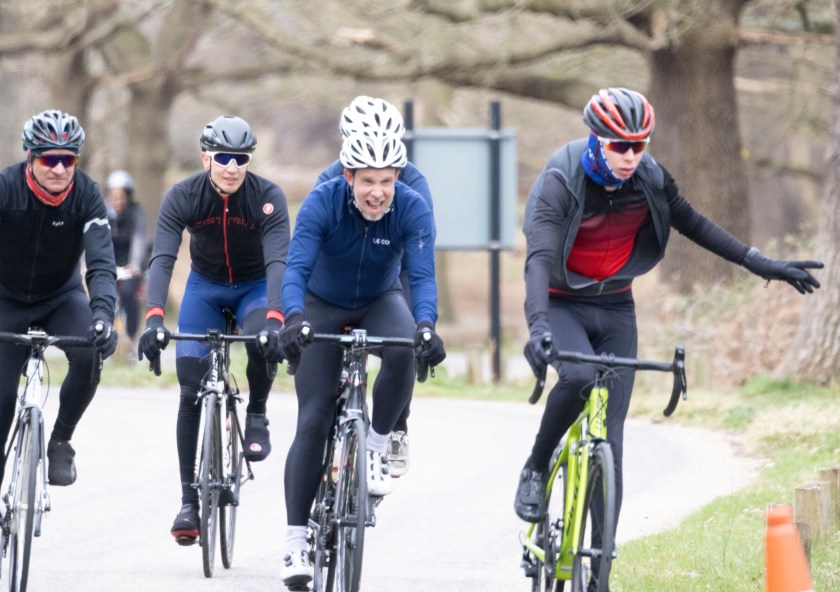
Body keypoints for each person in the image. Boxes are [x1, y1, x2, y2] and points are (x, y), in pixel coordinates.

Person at [514, 87, 822, 566]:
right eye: (620, 146)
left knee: (610, 437)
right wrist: (538, 328)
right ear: (596, 139)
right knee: (575, 380)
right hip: (561, 302)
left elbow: (694, 223)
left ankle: (602, 559)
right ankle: (536, 466)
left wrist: (761, 263)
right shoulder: (562, 178)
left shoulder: (650, 179)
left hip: (616, 306)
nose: (631, 156)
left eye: (640, 145)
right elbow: (537, 260)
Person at [277, 129, 447, 588]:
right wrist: (293, 318)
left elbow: (423, 277)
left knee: (404, 348)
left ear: (398, 178)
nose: (377, 192)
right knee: (312, 419)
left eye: (386, 181)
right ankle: (295, 541)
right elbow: (295, 268)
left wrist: (427, 325)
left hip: (379, 299)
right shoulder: (323, 201)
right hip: (321, 303)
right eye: (367, 180)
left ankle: (375, 443)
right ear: (349, 175)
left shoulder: (412, 207)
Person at [0, 109, 118, 576]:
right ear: (31, 157)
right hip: (5, 300)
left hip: (61, 296)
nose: (60, 168)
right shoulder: (2, 188)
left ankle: (61, 438)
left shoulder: (86, 194)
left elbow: (102, 266)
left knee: (88, 351)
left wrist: (104, 315)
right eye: (50, 158)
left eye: (69, 160)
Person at [136, 115, 290, 545]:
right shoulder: (183, 196)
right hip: (205, 289)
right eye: (223, 157)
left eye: (241, 158)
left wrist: (277, 317)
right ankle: (188, 501)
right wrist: (152, 318)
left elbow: (280, 261)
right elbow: (163, 257)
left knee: (262, 340)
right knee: (189, 388)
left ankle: (257, 412)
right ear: (206, 157)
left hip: (254, 287)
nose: (232, 167)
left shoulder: (267, 197)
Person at [314, 95, 436, 478]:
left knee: (408, 339)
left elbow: (420, 257)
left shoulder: (413, 182)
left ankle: (397, 425)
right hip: (342, 273)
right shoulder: (330, 177)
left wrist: (423, 327)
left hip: (393, 269)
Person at [104, 170, 149, 354]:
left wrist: (135, 263)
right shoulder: (102, 214)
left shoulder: (135, 214)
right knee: (105, 295)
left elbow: (140, 239)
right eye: (114, 197)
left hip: (131, 264)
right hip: (109, 262)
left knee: (129, 294)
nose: (118, 201)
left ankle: (131, 337)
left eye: (121, 197)